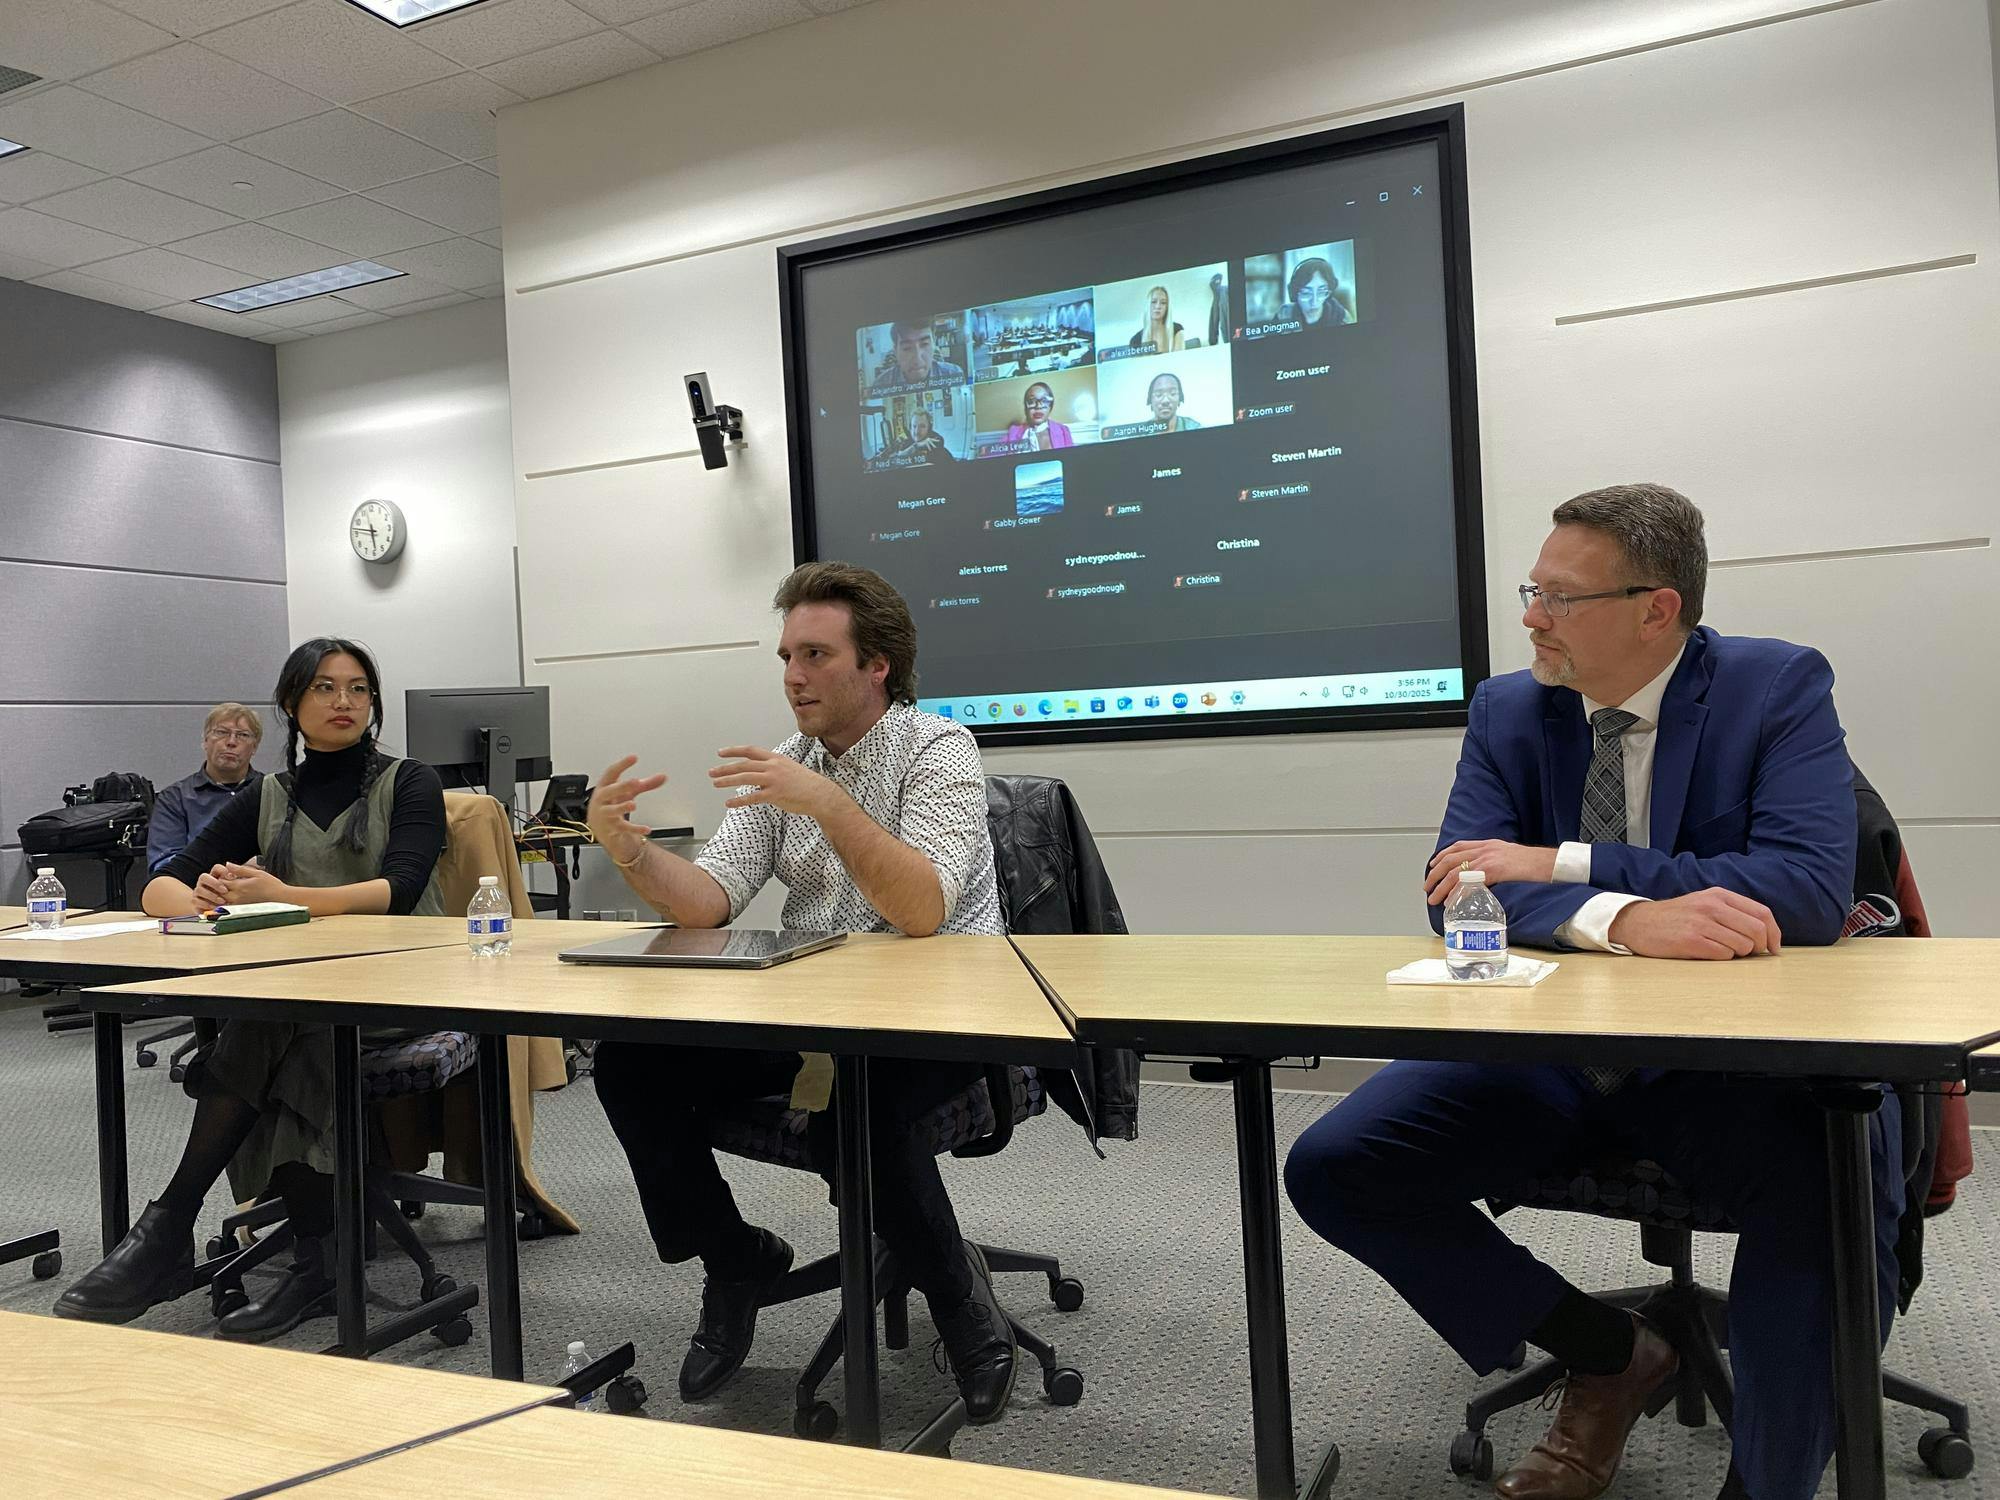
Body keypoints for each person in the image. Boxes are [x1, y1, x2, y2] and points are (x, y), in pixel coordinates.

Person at [1283, 484, 1898, 1500]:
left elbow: (1800, 888)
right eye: (1532, 590)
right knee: (1338, 1163)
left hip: (1726, 1066)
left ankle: (1767, 1484)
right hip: (1553, 1051)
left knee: (1830, 1173)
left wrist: (1563, 864)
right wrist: (1621, 917)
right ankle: (1608, 1353)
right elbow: (1456, 892)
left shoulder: (1774, 686)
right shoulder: (1509, 705)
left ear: (1655, 609)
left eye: (1557, 597)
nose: (1529, 616)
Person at [583, 562, 1019, 1424]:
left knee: (854, 1108)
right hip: (815, 1009)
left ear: (877, 665)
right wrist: (630, 852)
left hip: (947, 1011)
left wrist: (831, 804)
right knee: (631, 1064)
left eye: (815, 654)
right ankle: (735, 1257)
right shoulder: (786, 762)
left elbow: (923, 910)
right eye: (785, 655)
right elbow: (710, 898)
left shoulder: (939, 748)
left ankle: (963, 1303)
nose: (791, 675)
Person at [56, 638, 447, 1342]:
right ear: (293, 705)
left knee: (276, 1026)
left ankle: (171, 1227)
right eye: (326, 688)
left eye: (359, 690)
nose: (344, 703)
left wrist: (284, 896)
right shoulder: (271, 795)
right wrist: (203, 900)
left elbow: (402, 890)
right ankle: (316, 1268)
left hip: (403, 986)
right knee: (290, 1032)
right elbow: (159, 886)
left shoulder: (410, 782)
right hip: (303, 999)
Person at [147, 703, 265, 873]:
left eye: (243, 735)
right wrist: (230, 871)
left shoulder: (272, 792)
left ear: (254, 747)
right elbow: (163, 864)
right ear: (206, 741)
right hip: (197, 892)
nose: (231, 742)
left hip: (265, 892)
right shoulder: (175, 798)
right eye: (221, 732)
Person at [870, 319, 966, 391]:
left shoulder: (952, 374)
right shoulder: (880, 384)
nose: (917, 359)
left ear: (934, 344)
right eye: (907, 348)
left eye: (924, 344)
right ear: (895, 351)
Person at [1279, 256, 1352, 327]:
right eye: (1306, 293)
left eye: (1321, 292)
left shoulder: (1343, 318)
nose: (1314, 302)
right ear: (1294, 293)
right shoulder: (1284, 314)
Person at [1003, 381, 1073, 451]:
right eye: (1032, 401)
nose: (1038, 406)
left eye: (1044, 401)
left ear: (1050, 407)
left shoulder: (1063, 431)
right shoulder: (1013, 432)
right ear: (1025, 407)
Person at [883, 408, 957, 463]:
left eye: (922, 426)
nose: (917, 431)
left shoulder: (934, 439)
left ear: (929, 428)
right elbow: (897, 457)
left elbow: (940, 441)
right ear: (910, 427)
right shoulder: (905, 440)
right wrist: (917, 445)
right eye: (914, 426)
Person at [1128, 284, 1185, 353]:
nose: (1158, 306)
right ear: (1148, 305)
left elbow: (1178, 360)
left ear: (1167, 308)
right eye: (1153, 302)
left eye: (1163, 303)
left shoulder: (1177, 330)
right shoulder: (1135, 340)